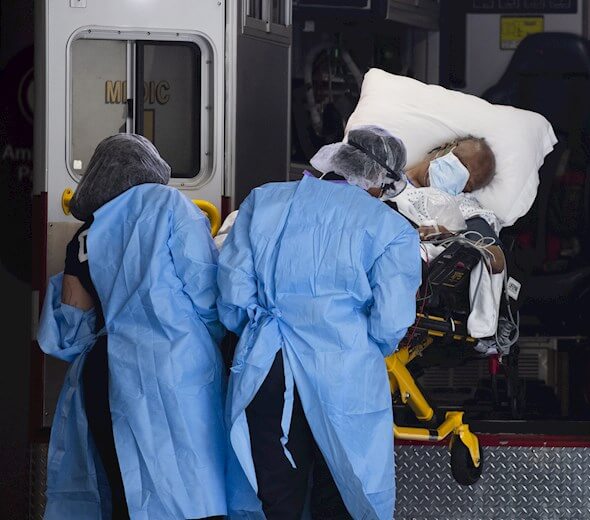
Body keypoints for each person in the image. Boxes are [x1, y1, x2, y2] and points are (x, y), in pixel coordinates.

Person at [218, 125, 421, 520]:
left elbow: (232, 295)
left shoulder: (264, 200)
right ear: (380, 181)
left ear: (337, 160)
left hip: (267, 369)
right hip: (344, 379)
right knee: (342, 495)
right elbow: (390, 322)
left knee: (277, 498)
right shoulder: (391, 229)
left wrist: (264, 332)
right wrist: (353, 343)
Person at [37, 134, 228, 519]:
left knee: (124, 491)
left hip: (105, 373)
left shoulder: (83, 236)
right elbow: (207, 292)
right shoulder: (172, 205)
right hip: (177, 367)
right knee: (192, 491)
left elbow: (72, 327)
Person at [401, 137, 505, 273]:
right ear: (446, 147)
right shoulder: (386, 174)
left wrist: (452, 238)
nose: (454, 177)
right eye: (461, 163)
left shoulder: (463, 208)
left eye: (467, 184)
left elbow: (496, 261)